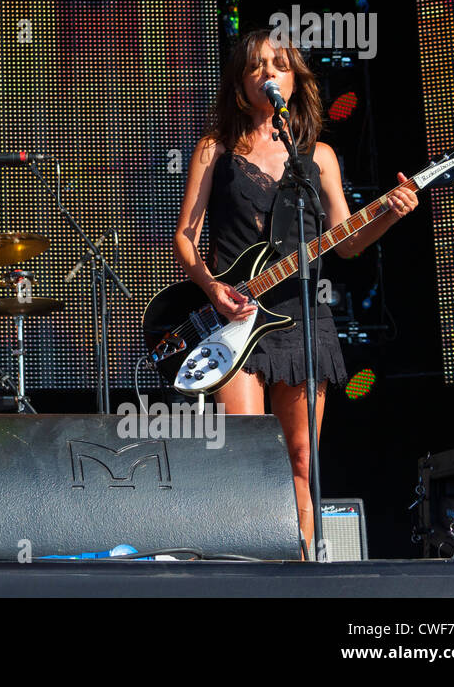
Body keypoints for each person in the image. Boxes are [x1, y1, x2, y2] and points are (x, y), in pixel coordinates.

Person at [174, 28, 418, 556]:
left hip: (303, 321)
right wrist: (213, 288)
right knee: (247, 456)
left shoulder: (320, 156)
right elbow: (185, 237)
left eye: (279, 65)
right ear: (241, 84)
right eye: (257, 66)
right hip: (236, 320)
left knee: (302, 459)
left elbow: (347, 243)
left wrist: (389, 215)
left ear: (294, 79)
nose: (268, 73)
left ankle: (307, 571)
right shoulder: (215, 147)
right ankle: (248, 568)